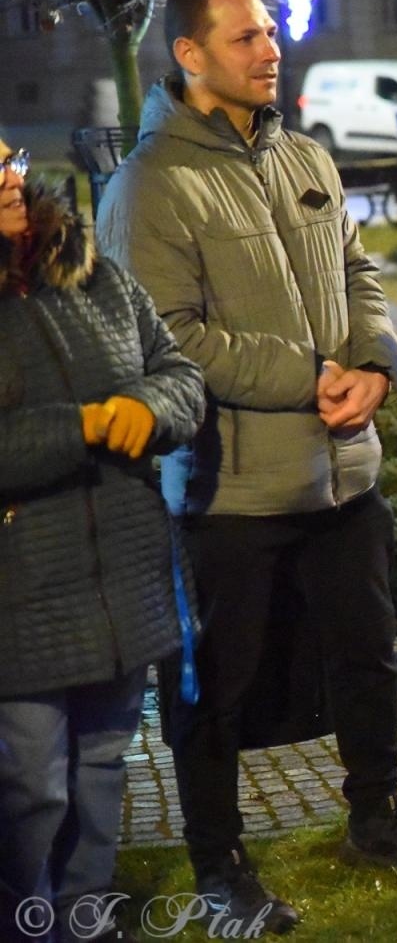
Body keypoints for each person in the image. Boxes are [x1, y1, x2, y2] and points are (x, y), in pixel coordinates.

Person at [96, 0, 397, 933]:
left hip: (345, 470)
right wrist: (312, 375)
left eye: (271, 33)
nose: (272, 51)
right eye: (248, 38)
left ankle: (375, 819)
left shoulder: (304, 154)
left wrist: (375, 367)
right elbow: (170, 339)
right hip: (230, 491)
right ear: (189, 55)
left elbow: (358, 273)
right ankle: (220, 870)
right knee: (217, 688)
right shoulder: (149, 187)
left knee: (366, 658)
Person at [1, 146, 205, 942]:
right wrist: (81, 426)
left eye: (10, 161)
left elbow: (179, 371)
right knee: (29, 785)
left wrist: (151, 408)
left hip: (122, 576)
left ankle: (87, 919)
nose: (11, 178)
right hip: (23, 588)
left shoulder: (90, 273)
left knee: (101, 767)